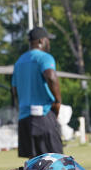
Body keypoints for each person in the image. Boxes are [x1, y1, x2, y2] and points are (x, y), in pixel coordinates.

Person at [12, 26, 63, 159]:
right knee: (55, 162)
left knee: (33, 166)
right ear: (41, 41)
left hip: (24, 118)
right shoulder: (45, 58)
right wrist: (58, 101)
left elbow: (14, 90)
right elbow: (51, 76)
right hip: (43, 115)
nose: (49, 43)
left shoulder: (19, 62)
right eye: (48, 40)